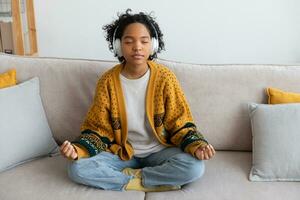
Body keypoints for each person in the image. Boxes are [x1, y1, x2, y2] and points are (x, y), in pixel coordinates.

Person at [60, 9, 215, 192]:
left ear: (153, 45)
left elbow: (180, 123)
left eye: (144, 41)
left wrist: (198, 146)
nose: (137, 47)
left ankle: (134, 179)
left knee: (195, 167)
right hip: (122, 152)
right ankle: (147, 182)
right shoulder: (108, 81)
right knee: (76, 168)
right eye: (129, 41)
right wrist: (77, 150)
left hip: (160, 150)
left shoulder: (165, 78)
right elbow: (98, 128)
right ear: (118, 46)